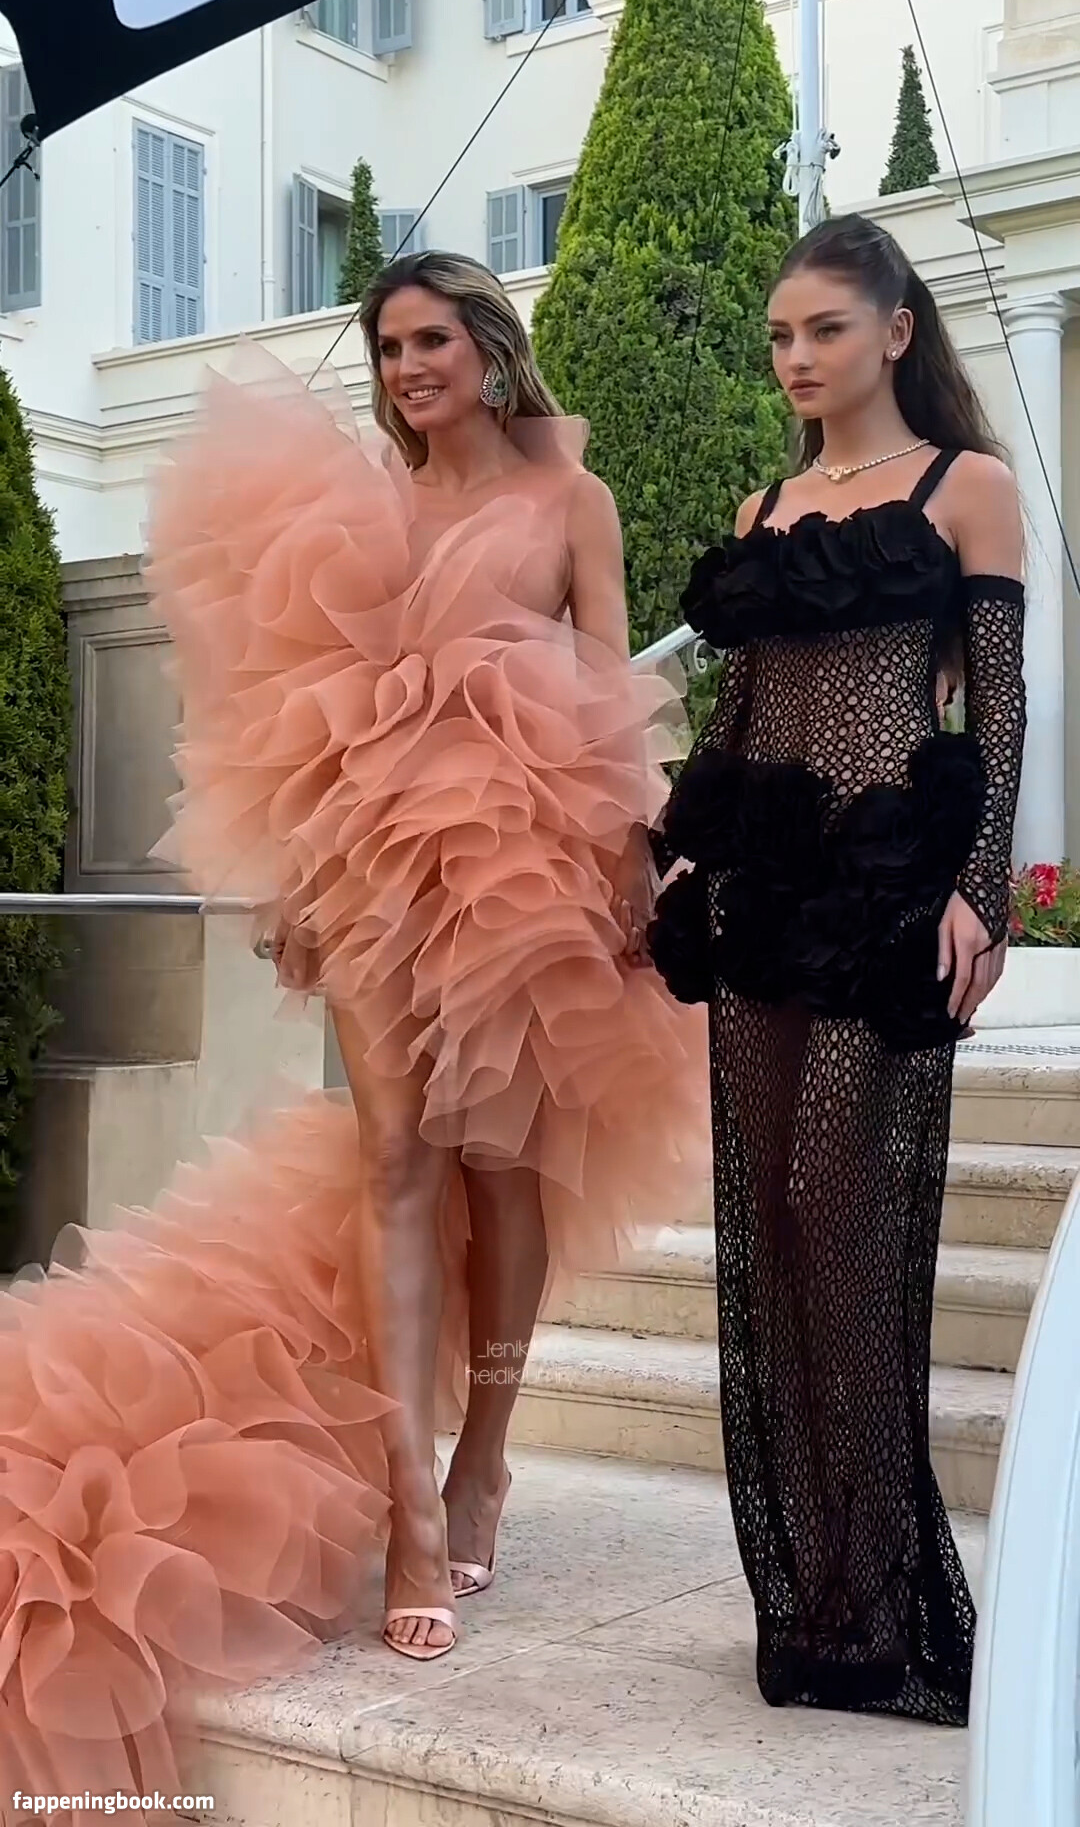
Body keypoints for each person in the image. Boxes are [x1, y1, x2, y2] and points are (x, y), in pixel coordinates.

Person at [0, 253, 708, 1806]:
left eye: (431, 340)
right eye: (387, 346)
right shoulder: (367, 508)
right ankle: (409, 1503)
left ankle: (484, 1452)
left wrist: (632, 871)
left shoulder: (569, 498)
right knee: (397, 1156)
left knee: (503, 1168)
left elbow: (610, 694)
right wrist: (302, 874)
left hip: (528, 864)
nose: (406, 369)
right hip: (377, 870)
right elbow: (300, 709)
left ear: (489, 348)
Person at [650, 213, 1026, 1725]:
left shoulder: (966, 488)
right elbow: (741, 712)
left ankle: (883, 1594)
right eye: (779, 337)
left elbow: (1001, 707)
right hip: (767, 890)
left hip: (885, 896)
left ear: (896, 331)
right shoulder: (765, 505)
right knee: (770, 1224)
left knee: (836, 1207)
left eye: (823, 329)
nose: (796, 358)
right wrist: (686, 853)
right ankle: (812, 1599)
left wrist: (980, 892)